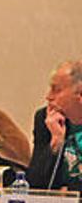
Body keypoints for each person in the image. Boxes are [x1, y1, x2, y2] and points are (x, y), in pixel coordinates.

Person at [29, 60, 82, 191]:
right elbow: (34, 186)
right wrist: (56, 143)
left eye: (56, 90)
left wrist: (70, 190)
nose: (48, 97)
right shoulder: (45, 119)